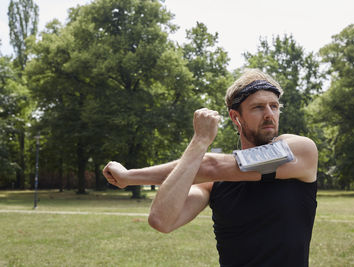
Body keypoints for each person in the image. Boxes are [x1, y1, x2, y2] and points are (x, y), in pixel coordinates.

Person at [103, 69, 318, 266]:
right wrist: (198, 142)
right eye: (258, 107)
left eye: (274, 106)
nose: (269, 114)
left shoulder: (302, 151)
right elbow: (161, 220)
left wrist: (129, 176)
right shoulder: (213, 183)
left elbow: (209, 165)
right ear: (236, 117)